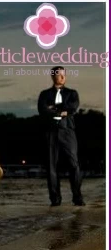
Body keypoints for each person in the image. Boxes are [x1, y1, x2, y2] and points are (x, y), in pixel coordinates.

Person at [37, 66, 84, 207]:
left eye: (64, 75)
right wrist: (61, 110)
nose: (63, 77)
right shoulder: (44, 94)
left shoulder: (72, 93)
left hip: (67, 131)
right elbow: (42, 110)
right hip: (51, 132)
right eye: (59, 75)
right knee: (51, 166)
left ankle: (77, 198)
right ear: (53, 77)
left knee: (74, 164)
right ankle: (55, 200)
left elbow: (72, 108)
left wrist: (54, 108)